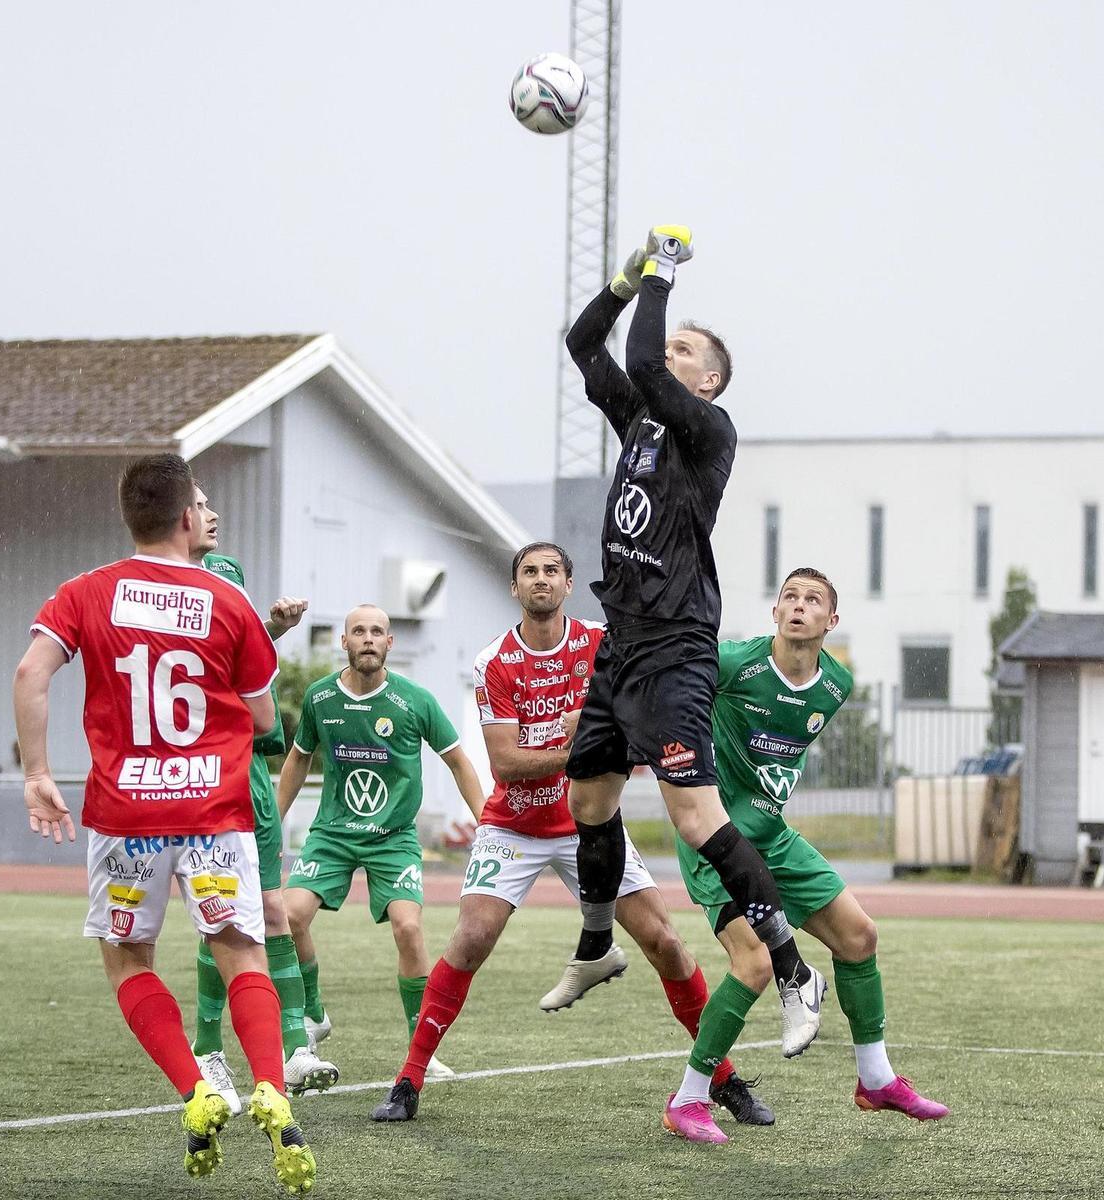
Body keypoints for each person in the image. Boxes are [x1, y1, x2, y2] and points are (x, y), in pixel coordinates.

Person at [370, 542, 772, 1126]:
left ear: (568, 584)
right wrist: (585, 741)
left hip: (591, 824)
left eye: (551, 572)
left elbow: (634, 736)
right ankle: (408, 1082)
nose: (540, 580)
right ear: (515, 588)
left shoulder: (602, 646)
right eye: (529, 572)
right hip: (514, 824)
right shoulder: (495, 661)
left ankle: (723, 1081)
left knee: (664, 942)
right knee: (473, 935)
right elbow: (505, 765)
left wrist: (591, 735)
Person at [552, 226, 823, 1055]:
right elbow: (582, 341)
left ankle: (791, 967)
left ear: (708, 380)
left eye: (684, 350)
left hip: (675, 649)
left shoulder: (711, 428)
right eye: (666, 344)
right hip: (621, 640)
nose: (664, 354)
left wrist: (661, 272)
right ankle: (597, 946)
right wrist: (627, 280)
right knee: (588, 803)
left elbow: (637, 361)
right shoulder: (639, 416)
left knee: (700, 820)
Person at [12, 452, 313, 1193]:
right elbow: (265, 716)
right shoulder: (227, 601)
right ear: (187, 518)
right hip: (214, 812)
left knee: (130, 962)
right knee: (240, 951)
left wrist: (37, 774)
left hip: (125, 816)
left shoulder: (86, 592)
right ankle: (270, 1085)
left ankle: (197, 1088)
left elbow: (30, 674)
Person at [662, 569, 949, 1144]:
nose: (798, 606)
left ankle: (876, 1079)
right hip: (714, 837)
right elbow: (674, 690)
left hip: (772, 834)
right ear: (775, 612)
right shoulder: (733, 663)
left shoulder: (835, 685)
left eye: (812, 600)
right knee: (755, 963)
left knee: (859, 936)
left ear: (830, 622)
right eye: (789, 597)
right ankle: (689, 1099)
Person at [277, 603, 487, 1077]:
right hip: (332, 834)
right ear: (344, 642)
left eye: (377, 631)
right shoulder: (320, 698)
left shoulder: (415, 700)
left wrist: (485, 823)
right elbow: (297, 761)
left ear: (390, 643)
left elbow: (458, 761)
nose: (368, 638)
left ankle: (422, 1048)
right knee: (289, 916)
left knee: (409, 927)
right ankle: (314, 1013)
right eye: (359, 631)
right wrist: (271, 821)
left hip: (393, 838)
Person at [189, 549, 338, 1102]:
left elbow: (255, 698)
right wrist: (271, 627)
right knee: (219, 917)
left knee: (274, 911)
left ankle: (296, 1048)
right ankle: (208, 1049)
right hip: (205, 783)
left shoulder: (250, 652)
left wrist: (269, 628)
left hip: (250, 782)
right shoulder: (179, 641)